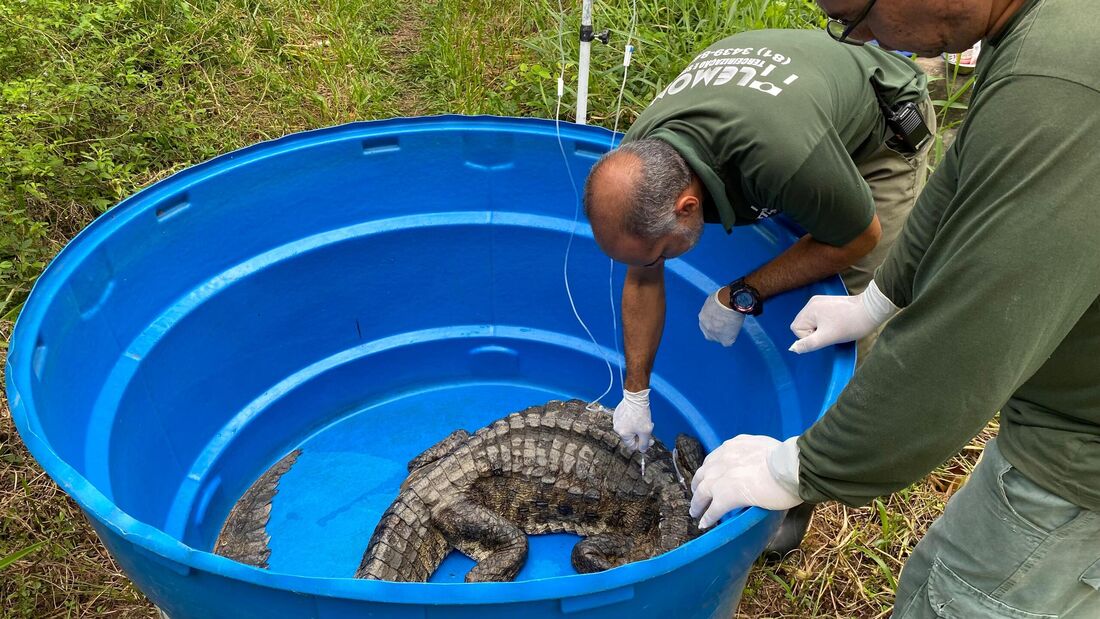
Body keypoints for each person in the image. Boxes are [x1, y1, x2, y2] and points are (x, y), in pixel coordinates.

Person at [687, 0, 1100, 617]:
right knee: (930, 585)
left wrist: (798, 467)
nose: (858, 37)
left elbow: (972, 336)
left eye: (853, 13)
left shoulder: (1059, 87)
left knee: (957, 603)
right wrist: (878, 299)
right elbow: (960, 183)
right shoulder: (1037, 31)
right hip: (1061, 402)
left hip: (1080, 453)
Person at [582, 28, 934, 556]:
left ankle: (791, 499)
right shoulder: (643, 160)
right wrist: (635, 393)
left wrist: (741, 292)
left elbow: (859, 237)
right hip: (795, 117)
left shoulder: (783, 156)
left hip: (878, 138)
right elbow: (643, 273)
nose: (648, 266)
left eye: (655, 252)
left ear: (686, 207)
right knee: (784, 260)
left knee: (840, 314)